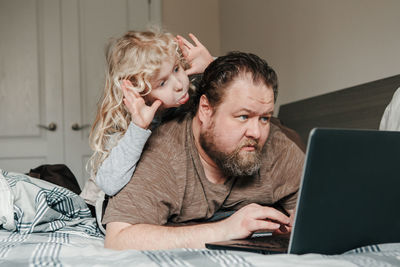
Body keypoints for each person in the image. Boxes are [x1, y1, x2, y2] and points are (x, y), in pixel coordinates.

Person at [103, 51, 305, 250]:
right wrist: (225, 230)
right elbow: (119, 239)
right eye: (243, 116)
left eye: (264, 118)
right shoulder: (163, 152)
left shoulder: (278, 146)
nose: (256, 132)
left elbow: (317, 218)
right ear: (206, 110)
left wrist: (299, 227)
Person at [80, 29, 214, 211]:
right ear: (140, 91)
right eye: (162, 83)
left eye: (176, 68)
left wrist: (213, 67)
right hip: (95, 207)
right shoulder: (125, 124)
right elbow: (108, 185)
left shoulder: (189, 97)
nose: (179, 84)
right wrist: (138, 127)